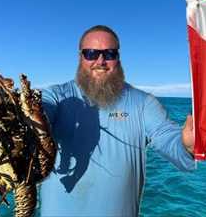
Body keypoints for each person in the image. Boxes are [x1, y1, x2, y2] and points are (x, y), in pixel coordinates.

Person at [40, 25, 195, 217]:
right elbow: (40, 112)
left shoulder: (143, 103)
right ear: (80, 57)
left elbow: (166, 136)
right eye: (91, 54)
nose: (100, 61)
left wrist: (187, 145)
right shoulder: (56, 95)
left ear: (118, 58)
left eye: (109, 54)